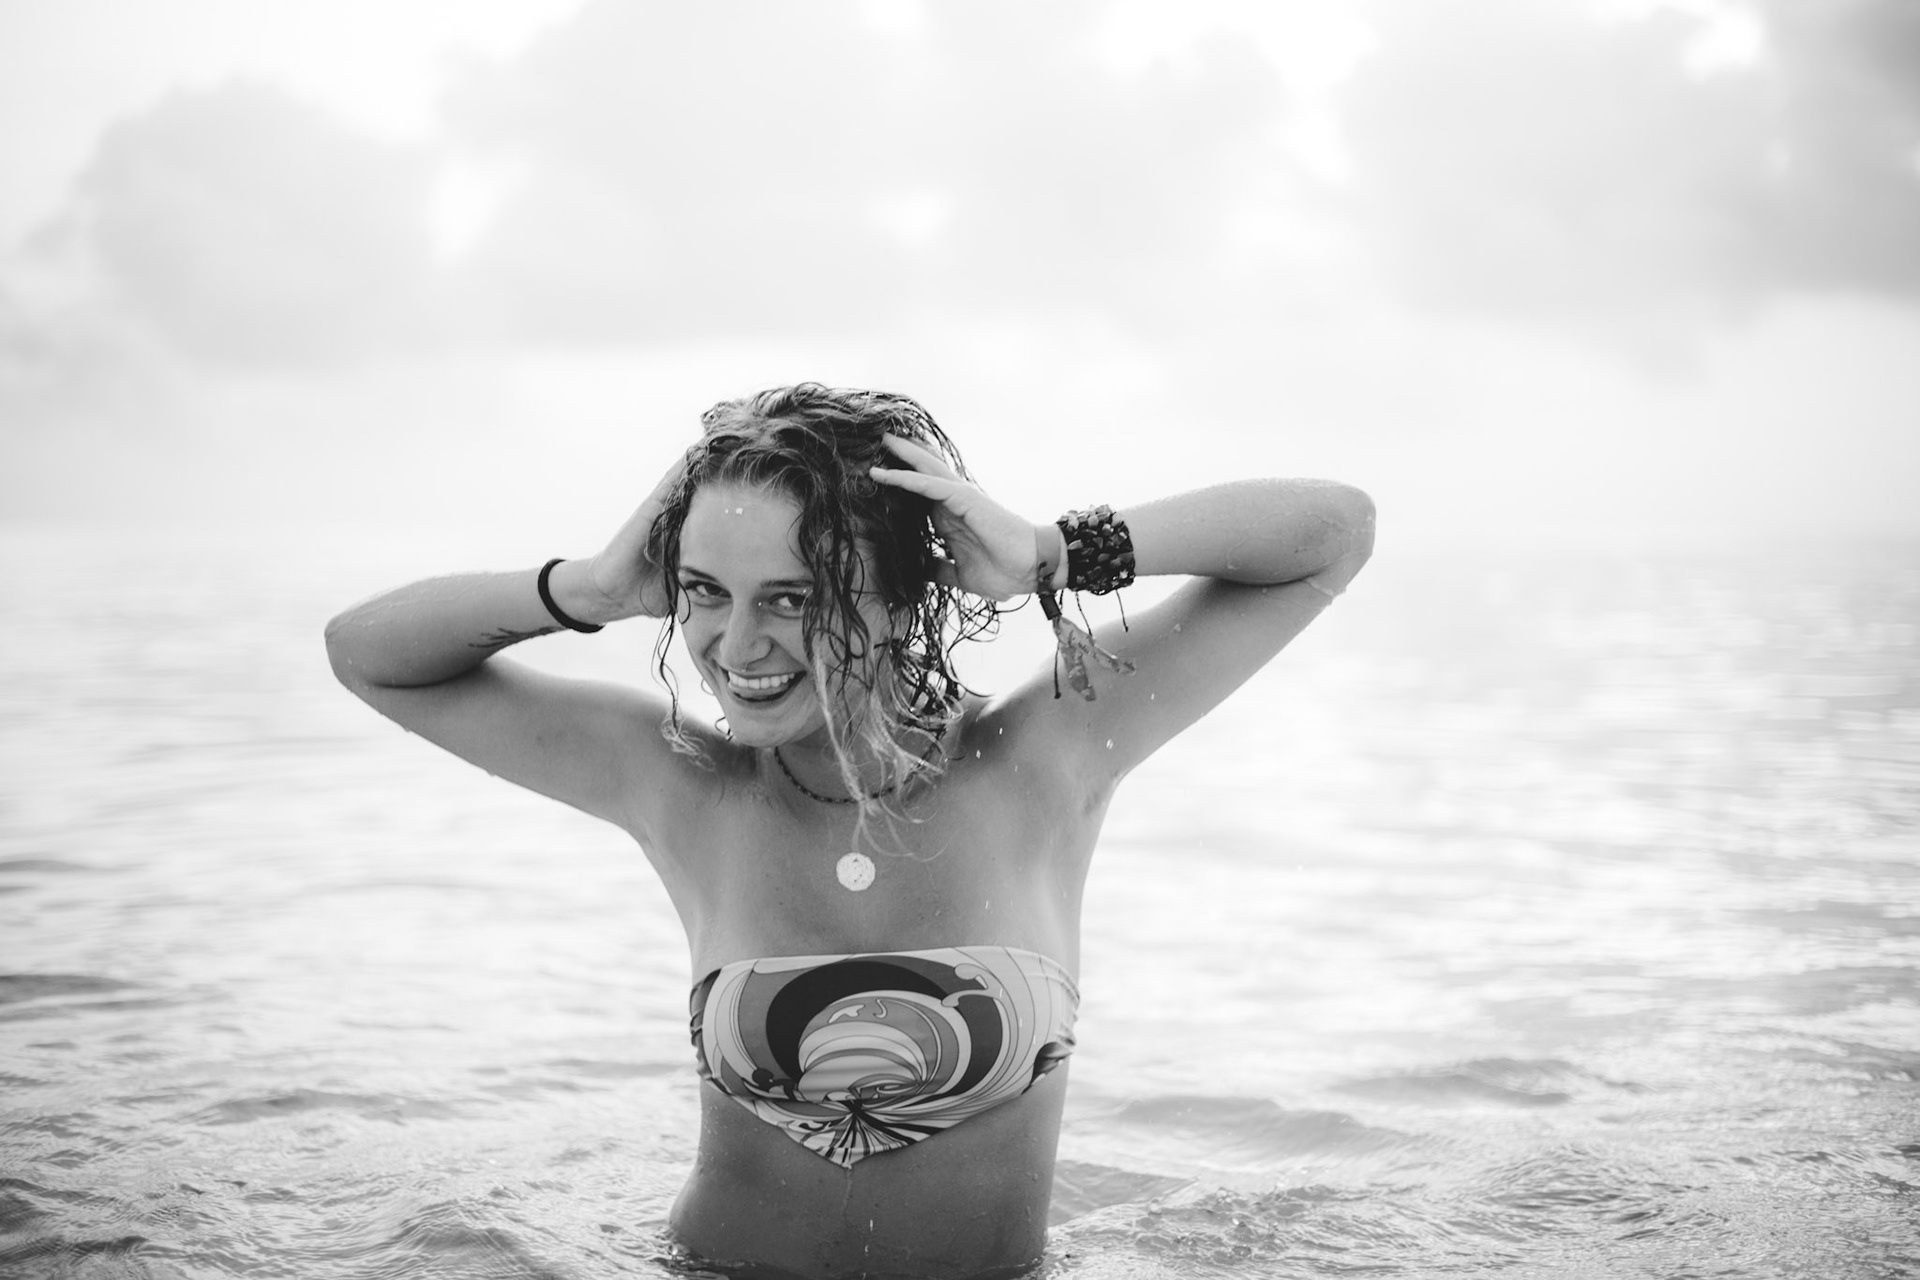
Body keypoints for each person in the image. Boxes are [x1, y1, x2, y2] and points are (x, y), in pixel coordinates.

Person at [324, 383, 1375, 1280]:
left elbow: (1334, 532)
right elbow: (367, 654)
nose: (736, 644)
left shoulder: (1043, 755)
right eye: (704, 591)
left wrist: (1051, 552)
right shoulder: (678, 780)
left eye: (792, 598)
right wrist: (590, 588)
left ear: (904, 595)